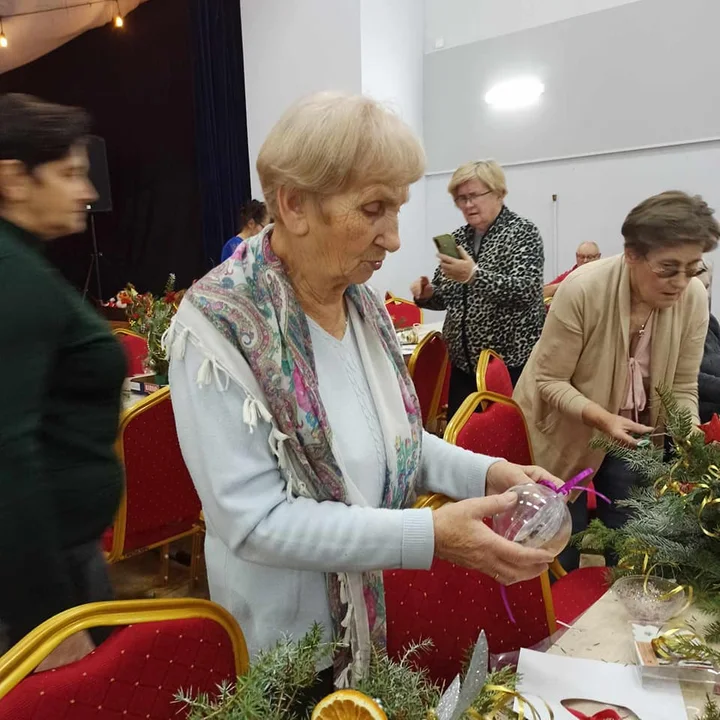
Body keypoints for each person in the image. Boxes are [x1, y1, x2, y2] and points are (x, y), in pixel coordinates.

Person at [167, 93, 558, 694]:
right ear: (294, 205)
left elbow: (400, 442)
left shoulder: (360, 302)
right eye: (374, 209)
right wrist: (429, 536)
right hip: (289, 649)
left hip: (370, 615)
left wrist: (491, 473)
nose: (395, 239)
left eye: (397, 209)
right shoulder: (219, 326)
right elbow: (254, 522)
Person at [514, 191, 718, 570]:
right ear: (632, 255)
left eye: (692, 269)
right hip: (561, 430)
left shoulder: (692, 298)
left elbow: (683, 388)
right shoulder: (582, 289)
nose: (680, 282)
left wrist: (692, 442)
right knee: (558, 543)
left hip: (634, 434)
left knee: (632, 542)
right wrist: (603, 419)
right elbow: (550, 380)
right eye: (667, 268)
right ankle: (560, 623)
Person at [0, 95, 125, 667]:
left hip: (62, 556)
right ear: (14, 180)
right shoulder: (13, 274)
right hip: (45, 574)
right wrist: (48, 623)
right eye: (71, 174)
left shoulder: (24, 263)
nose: (89, 191)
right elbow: (8, 457)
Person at [410, 160, 545, 418]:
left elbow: (526, 292)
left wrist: (474, 276)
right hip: (462, 367)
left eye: (474, 196)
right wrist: (427, 295)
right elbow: (447, 296)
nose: (468, 205)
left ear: (498, 193)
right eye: (461, 199)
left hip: (508, 367)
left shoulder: (522, 233)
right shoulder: (457, 238)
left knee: (505, 446)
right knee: (463, 446)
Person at [697, 263, 720, 423]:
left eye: (706, 287)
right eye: (699, 289)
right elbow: (683, 379)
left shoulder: (709, 319)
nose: (705, 295)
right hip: (696, 419)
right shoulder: (667, 328)